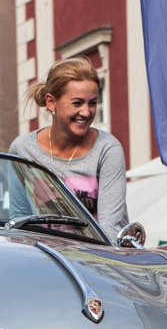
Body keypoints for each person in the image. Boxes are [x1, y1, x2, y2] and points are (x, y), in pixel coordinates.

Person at [9, 57, 129, 239]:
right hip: (49, 260)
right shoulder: (23, 149)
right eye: (77, 103)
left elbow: (110, 229)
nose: (86, 112)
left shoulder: (107, 149)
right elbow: (20, 220)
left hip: (98, 260)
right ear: (51, 102)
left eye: (93, 103)